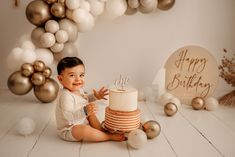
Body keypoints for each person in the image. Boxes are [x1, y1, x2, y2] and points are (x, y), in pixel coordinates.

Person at [56, 57, 125, 142]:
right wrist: (85, 111)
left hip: (81, 121)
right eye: (72, 75)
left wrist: (95, 97)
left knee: (91, 113)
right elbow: (68, 116)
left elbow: (83, 100)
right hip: (70, 129)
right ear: (60, 79)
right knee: (84, 130)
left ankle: (101, 130)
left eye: (81, 75)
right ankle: (107, 136)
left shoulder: (78, 90)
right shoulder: (65, 96)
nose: (78, 79)